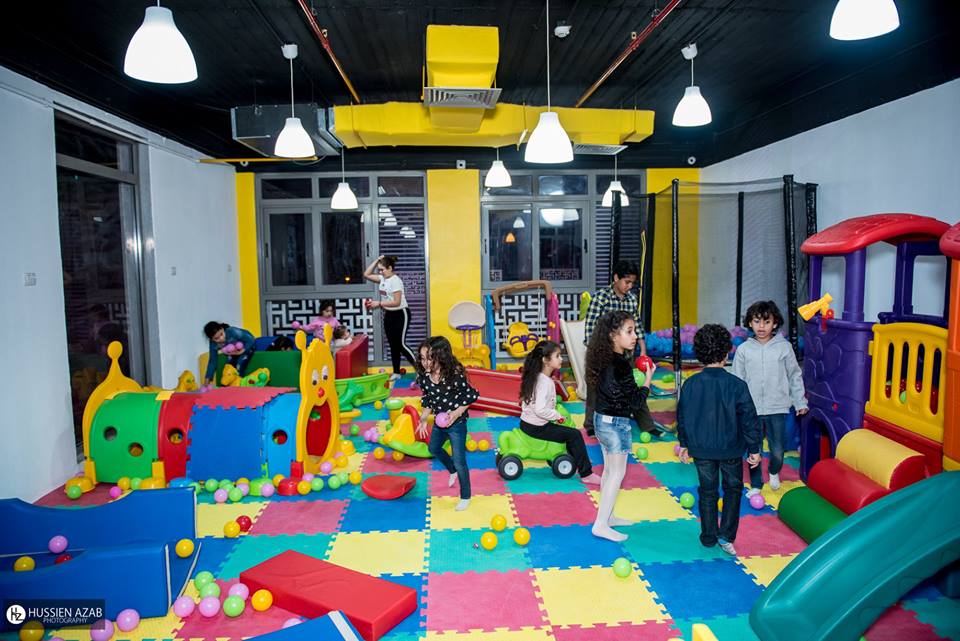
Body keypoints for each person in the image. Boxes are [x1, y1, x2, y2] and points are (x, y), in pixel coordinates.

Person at [677, 324, 761, 556]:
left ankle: (708, 536)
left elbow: (682, 416)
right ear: (726, 353)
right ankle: (726, 535)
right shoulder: (737, 385)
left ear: (699, 354)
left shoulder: (690, 384)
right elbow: (749, 419)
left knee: (707, 491)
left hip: (701, 450)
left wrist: (684, 443)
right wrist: (754, 448)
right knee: (733, 489)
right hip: (731, 450)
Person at [586, 311, 656, 542]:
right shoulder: (622, 364)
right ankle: (600, 524)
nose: (635, 336)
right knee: (617, 473)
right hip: (615, 425)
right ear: (613, 335)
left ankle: (608, 516)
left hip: (601, 421)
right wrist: (648, 379)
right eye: (629, 331)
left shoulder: (602, 358)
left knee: (609, 471)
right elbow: (636, 402)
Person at [732, 301, 808, 495]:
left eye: (767, 322)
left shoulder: (784, 348)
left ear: (774, 323)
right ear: (750, 323)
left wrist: (800, 401)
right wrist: (735, 406)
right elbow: (737, 380)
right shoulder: (744, 350)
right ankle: (756, 485)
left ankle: (774, 470)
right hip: (752, 409)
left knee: (778, 450)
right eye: (757, 321)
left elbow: (794, 375)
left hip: (778, 407)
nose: (761, 326)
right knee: (753, 449)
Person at [583, 260, 659, 439]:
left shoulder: (631, 299)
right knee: (595, 390)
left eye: (632, 283)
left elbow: (637, 326)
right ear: (616, 278)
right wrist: (599, 356)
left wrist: (643, 351)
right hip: (601, 354)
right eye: (627, 282)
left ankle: (647, 424)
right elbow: (590, 331)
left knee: (632, 386)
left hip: (625, 354)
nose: (629, 286)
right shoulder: (601, 298)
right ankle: (591, 424)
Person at [519, 341, 602, 485]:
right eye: (557, 356)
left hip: (527, 423)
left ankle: (578, 458)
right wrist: (557, 416)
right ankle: (586, 474)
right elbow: (540, 409)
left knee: (567, 432)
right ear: (546, 360)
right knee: (574, 434)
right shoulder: (545, 382)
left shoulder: (536, 376)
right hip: (537, 427)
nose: (561, 359)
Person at [415, 336, 480, 511]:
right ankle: (452, 469)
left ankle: (465, 496)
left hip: (457, 423)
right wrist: (423, 419)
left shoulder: (454, 375)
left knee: (460, 461)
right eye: (422, 358)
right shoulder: (425, 376)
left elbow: (471, 396)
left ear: (441, 356)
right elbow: (428, 399)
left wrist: (456, 413)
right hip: (440, 422)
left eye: (430, 358)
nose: (425, 362)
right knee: (433, 448)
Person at [364, 255, 417, 381]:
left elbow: (397, 302)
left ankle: (421, 370)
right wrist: (377, 260)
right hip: (389, 314)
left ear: (390, 268)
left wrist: (379, 303)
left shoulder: (395, 281)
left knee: (400, 344)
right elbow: (366, 274)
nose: (380, 272)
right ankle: (396, 372)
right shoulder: (382, 278)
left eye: (382, 269)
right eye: (379, 270)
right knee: (393, 345)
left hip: (401, 314)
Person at [203, 321, 256, 386]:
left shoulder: (232, 331)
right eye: (217, 338)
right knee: (228, 368)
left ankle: (240, 383)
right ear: (212, 339)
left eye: (221, 334)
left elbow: (251, 339)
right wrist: (207, 379)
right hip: (233, 352)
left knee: (240, 364)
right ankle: (228, 386)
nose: (221, 338)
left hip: (248, 346)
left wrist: (242, 351)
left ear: (222, 329)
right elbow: (212, 361)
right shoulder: (213, 344)